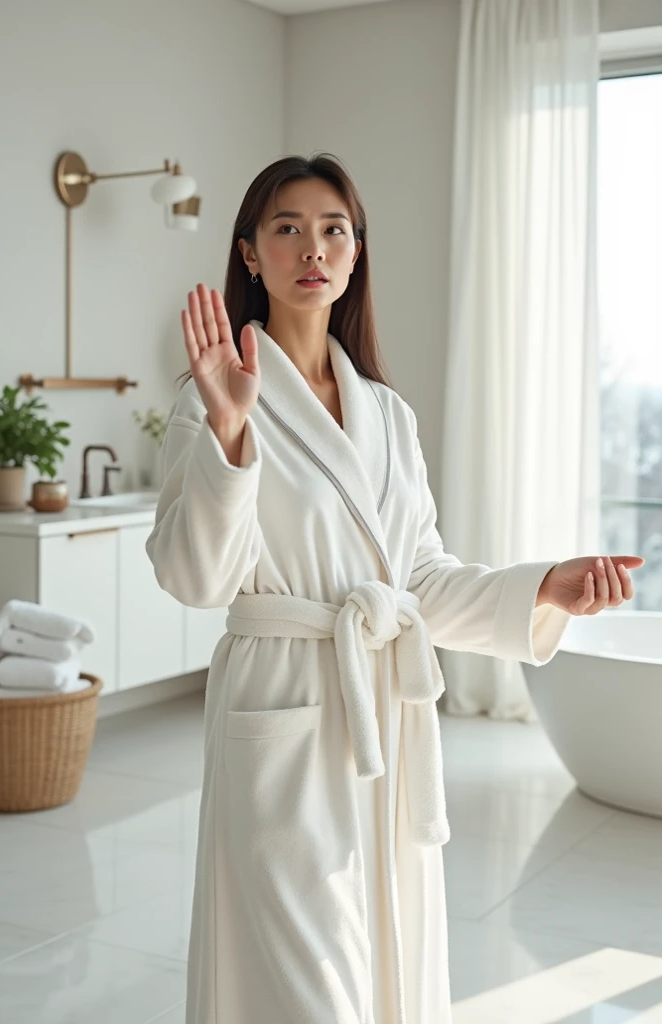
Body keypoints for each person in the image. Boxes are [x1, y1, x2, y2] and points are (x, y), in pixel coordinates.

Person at [146, 153, 644, 1024]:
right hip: (285, 710)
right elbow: (198, 579)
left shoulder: (388, 414)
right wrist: (228, 437)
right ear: (250, 256)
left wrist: (544, 590)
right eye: (287, 228)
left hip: (382, 715)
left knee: (382, 958)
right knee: (304, 986)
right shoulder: (214, 396)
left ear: (355, 253)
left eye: (333, 229)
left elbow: (418, 581)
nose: (314, 247)